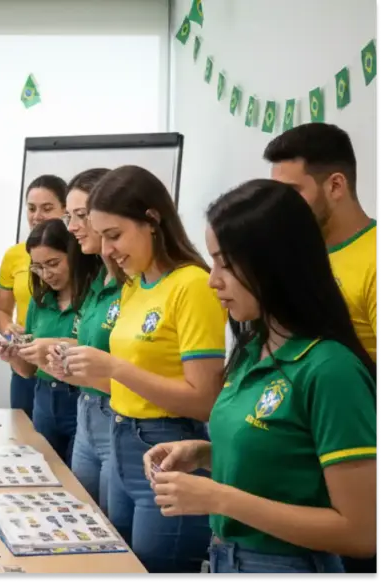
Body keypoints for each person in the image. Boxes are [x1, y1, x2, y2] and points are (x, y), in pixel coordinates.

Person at [145, 180, 377, 574]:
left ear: (275, 264)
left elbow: (359, 532)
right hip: (227, 555)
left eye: (226, 264)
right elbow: (288, 462)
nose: (212, 280)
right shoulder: (254, 348)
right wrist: (206, 454)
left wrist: (219, 499)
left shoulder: (330, 369)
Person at [62, 165, 227, 573]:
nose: (106, 250)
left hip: (169, 446)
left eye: (114, 236)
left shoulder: (191, 285)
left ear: (152, 220)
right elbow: (134, 380)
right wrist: (79, 369)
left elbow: (204, 400)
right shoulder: (135, 284)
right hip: (120, 440)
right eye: (101, 238)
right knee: (118, 560)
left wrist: (114, 367)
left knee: (156, 564)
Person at [263, 123, 376, 363]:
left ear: (335, 186)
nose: (280, 205)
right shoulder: (291, 254)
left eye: (292, 192)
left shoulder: (372, 260)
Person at [44, 167, 117, 512]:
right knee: (83, 516)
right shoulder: (98, 277)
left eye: (81, 216)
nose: (71, 227)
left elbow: (124, 363)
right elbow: (96, 350)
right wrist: (61, 353)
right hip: (87, 409)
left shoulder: (138, 282)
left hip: (121, 419)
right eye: (68, 216)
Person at [4, 219, 100, 463]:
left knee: (79, 481)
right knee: (45, 473)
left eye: (53, 263)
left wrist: (55, 344)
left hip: (81, 396)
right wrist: (14, 356)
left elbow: (97, 350)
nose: (46, 274)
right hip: (44, 398)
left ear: (73, 254)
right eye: (37, 267)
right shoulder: (40, 302)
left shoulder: (95, 299)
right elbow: (28, 371)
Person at [0, 175, 68, 421]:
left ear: (65, 210)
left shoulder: (81, 257)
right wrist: (11, 334)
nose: (37, 216)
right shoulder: (15, 255)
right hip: (26, 357)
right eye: (32, 208)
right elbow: (1, 310)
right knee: (25, 434)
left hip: (64, 361)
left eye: (47, 208)